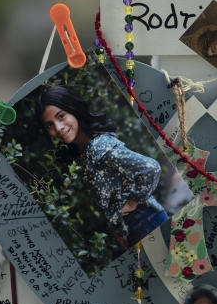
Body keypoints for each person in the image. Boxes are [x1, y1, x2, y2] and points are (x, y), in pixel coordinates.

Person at [37, 85, 169, 247]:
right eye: (49, 125)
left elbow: (151, 168)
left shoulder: (98, 146)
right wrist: (116, 227)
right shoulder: (84, 152)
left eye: (61, 116)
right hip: (135, 228)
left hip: (146, 221)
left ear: (74, 110)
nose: (58, 128)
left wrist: (133, 201)